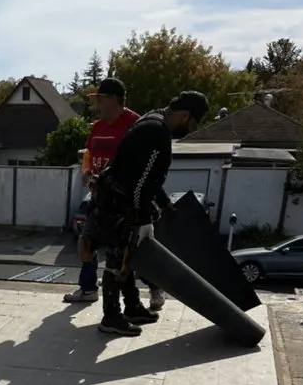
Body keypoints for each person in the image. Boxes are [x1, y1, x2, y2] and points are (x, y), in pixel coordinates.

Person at [83, 90, 209, 337]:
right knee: (116, 262)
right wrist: (142, 220)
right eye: (192, 123)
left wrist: (163, 202)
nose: (191, 129)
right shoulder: (157, 133)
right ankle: (111, 317)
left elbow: (146, 174)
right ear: (184, 114)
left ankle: (131, 307)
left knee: (127, 258)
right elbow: (140, 182)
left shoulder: (152, 119)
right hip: (120, 203)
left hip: (118, 196)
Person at [64, 78, 138, 305]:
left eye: (101, 100)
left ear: (113, 99)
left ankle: (140, 298)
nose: (97, 106)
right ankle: (88, 289)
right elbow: (88, 153)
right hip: (98, 197)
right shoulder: (97, 126)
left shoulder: (135, 124)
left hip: (123, 201)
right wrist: (86, 171)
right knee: (85, 242)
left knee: (123, 253)